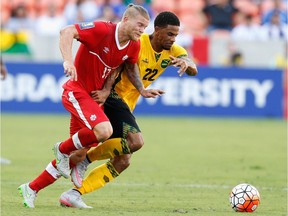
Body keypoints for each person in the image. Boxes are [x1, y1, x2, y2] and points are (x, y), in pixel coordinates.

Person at [17, 4, 163, 208]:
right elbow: (66, 31)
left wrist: (141, 89)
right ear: (126, 20)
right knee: (104, 130)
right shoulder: (102, 29)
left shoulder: (133, 45)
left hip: (94, 99)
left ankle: (31, 188)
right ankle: (61, 147)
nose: (142, 30)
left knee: (76, 156)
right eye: (140, 25)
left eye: (145, 26)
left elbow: (127, 66)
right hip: (77, 91)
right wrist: (68, 61)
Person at [59, 11, 198, 208]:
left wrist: (187, 63)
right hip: (113, 97)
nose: (173, 39)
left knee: (123, 160)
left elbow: (193, 68)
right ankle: (83, 160)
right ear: (157, 30)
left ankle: (74, 194)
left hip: (126, 105)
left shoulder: (174, 50)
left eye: (176, 35)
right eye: (169, 34)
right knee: (135, 141)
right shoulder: (138, 41)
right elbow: (117, 64)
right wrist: (107, 90)